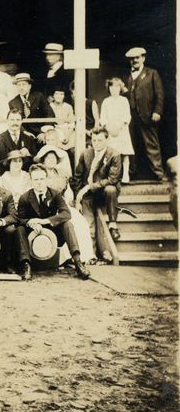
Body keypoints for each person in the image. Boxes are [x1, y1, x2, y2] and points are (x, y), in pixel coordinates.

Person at [16, 164, 90, 280]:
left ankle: (78, 262)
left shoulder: (55, 194)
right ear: (31, 181)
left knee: (67, 225)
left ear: (46, 179)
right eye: (36, 179)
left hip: (52, 233)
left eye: (42, 179)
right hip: (32, 233)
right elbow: (20, 219)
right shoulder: (25, 197)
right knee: (20, 229)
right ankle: (27, 265)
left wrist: (44, 221)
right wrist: (31, 222)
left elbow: (66, 214)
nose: (39, 182)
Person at [74, 127, 122, 259]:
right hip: (88, 193)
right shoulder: (85, 153)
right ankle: (91, 253)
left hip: (105, 191)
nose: (96, 143)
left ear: (107, 139)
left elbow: (113, 179)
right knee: (88, 221)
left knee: (111, 189)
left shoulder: (114, 154)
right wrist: (78, 196)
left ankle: (113, 223)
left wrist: (90, 187)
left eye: (100, 140)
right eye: (94, 140)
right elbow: (78, 176)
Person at [124, 47, 165, 181]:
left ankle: (158, 173)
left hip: (148, 115)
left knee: (151, 144)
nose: (134, 60)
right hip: (131, 116)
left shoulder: (152, 73)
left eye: (137, 57)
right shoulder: (128, 76)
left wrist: (157, 111)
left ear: (143, 58)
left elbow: (160, 94)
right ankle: (132, 172)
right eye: (132, 59)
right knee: (131, 145)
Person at [99, 77, 133, 183]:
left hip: (121, 130)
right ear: (108, 88)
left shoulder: (124, 100)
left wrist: (118, 128)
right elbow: (103, 117)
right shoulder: (106, 101)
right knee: (111, 154)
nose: (114, 89)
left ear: (120, 88)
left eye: (117, 87)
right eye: (112, 87)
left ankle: (125, 174)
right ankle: (113, 175)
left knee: (124, 153)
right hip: (110, 131)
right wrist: (109, 128)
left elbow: (127, 116)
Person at [0, 109, 37, 174]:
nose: (15, 123)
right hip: (4, 179)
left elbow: (35, 163)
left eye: (17, 120)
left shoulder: (29, 139)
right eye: (12, 120)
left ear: (21, 121)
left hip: (24, 179)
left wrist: (29, 155)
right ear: (7, 121)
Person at [8, 73, 53, 139]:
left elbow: (50, 114)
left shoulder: (39, 97)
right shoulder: (13, 103)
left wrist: (44, 132)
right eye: (19, 85)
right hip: (23, 135)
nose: (21, 88)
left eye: (24, 84)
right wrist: (24, 132)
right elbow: (14, 121)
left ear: (30, 86)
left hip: (42, 134)